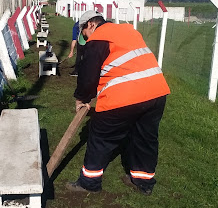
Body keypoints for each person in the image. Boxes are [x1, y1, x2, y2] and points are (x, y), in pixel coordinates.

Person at [67, 10, 170, 196]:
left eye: (84, 34)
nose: (86, 38)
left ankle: (89, 182)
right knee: (145, 137)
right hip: (157, 92)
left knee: (101, 137)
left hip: (125, 95)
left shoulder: (98, 37)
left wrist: (81, 99)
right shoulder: (128, 30)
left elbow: (88, 76)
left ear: (90, 24)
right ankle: (143, 182)